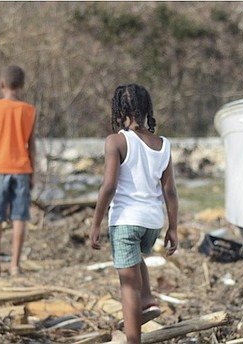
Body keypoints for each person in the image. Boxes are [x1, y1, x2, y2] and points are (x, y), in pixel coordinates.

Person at [89, 83, 179, 344]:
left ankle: (133, 340)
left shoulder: (116, 141)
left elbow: (109, 185)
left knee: (128, 286)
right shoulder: (163, 144)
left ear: (120, 110)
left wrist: (95, 223)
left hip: (126, 220)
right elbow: (170, 191)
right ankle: (148, 299)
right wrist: (173, 227)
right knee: (135, 257)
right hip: (152, 223)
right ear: (146, 109)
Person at [0, 65, 36, 277]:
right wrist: (33, 172)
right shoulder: (29, 111)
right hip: (21, 169)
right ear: (22, 86)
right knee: (19, 218)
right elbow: (32, 145)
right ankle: (15, 265)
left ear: (1, 84)